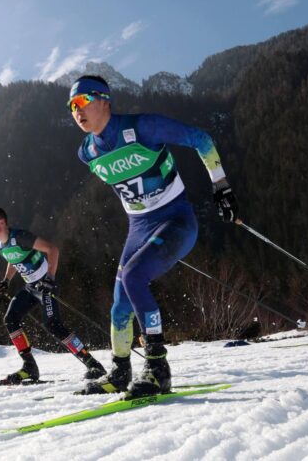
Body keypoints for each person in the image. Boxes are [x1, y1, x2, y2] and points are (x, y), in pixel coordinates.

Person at [67, 76, 238, 397]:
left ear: (104, 100)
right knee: (119, 304)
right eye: (71, 106)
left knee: (133, 277)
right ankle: (119, 372)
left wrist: (221, 186)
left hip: (175, 221)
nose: (76, 111)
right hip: (139, 227)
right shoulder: (87, 152)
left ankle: (158, 368)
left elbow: (200, 139)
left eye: (82, 101)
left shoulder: (143, 127)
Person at [0, 207, 106, 385]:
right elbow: (13, 259)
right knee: (10, 319)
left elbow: (52, 249)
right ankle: (29, 367)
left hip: (45, 286)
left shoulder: (20, 236)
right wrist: (6, 281)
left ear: (1, 222)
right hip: (31, 287)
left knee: (53, 325)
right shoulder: (1, 244)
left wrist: (50, 278)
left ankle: (94, 365)